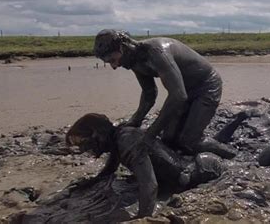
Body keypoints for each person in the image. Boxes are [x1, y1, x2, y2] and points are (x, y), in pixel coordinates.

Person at [94, 29, 233, 157]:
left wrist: (150, 134)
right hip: (184, 88)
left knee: (188, 142)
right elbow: (149, 93)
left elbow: (178, 96)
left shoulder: (157, 53)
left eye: (113, 60)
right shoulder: (133, 60)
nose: (114, 66)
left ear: (123, 48)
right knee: (168, 139)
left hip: (206, 86)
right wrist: (135, 121)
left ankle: (232, 155)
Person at [66, 113, 226, 218]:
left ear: (97, 134)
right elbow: (110, 169)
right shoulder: (118, 138)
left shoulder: (126, 141)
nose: (83, 149)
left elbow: (150, 185)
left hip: (202, 168)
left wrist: (142, 218)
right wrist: (87, 183)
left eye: (83, 143)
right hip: (191, 165)